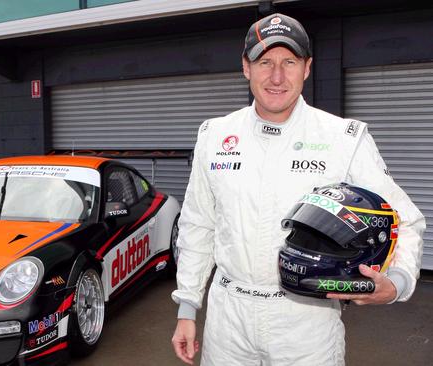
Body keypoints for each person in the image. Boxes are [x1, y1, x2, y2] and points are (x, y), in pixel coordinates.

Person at [170, 13, 425, 366]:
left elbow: (404, 220)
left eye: (289, 62)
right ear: (246, 67)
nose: (277, 76)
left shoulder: (342, 138)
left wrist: (397, 281)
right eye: (265, 62)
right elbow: (199, 225)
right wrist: (187, 306)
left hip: (306, 321)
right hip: (228, 319)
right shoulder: (214, 136)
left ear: (307, 68)